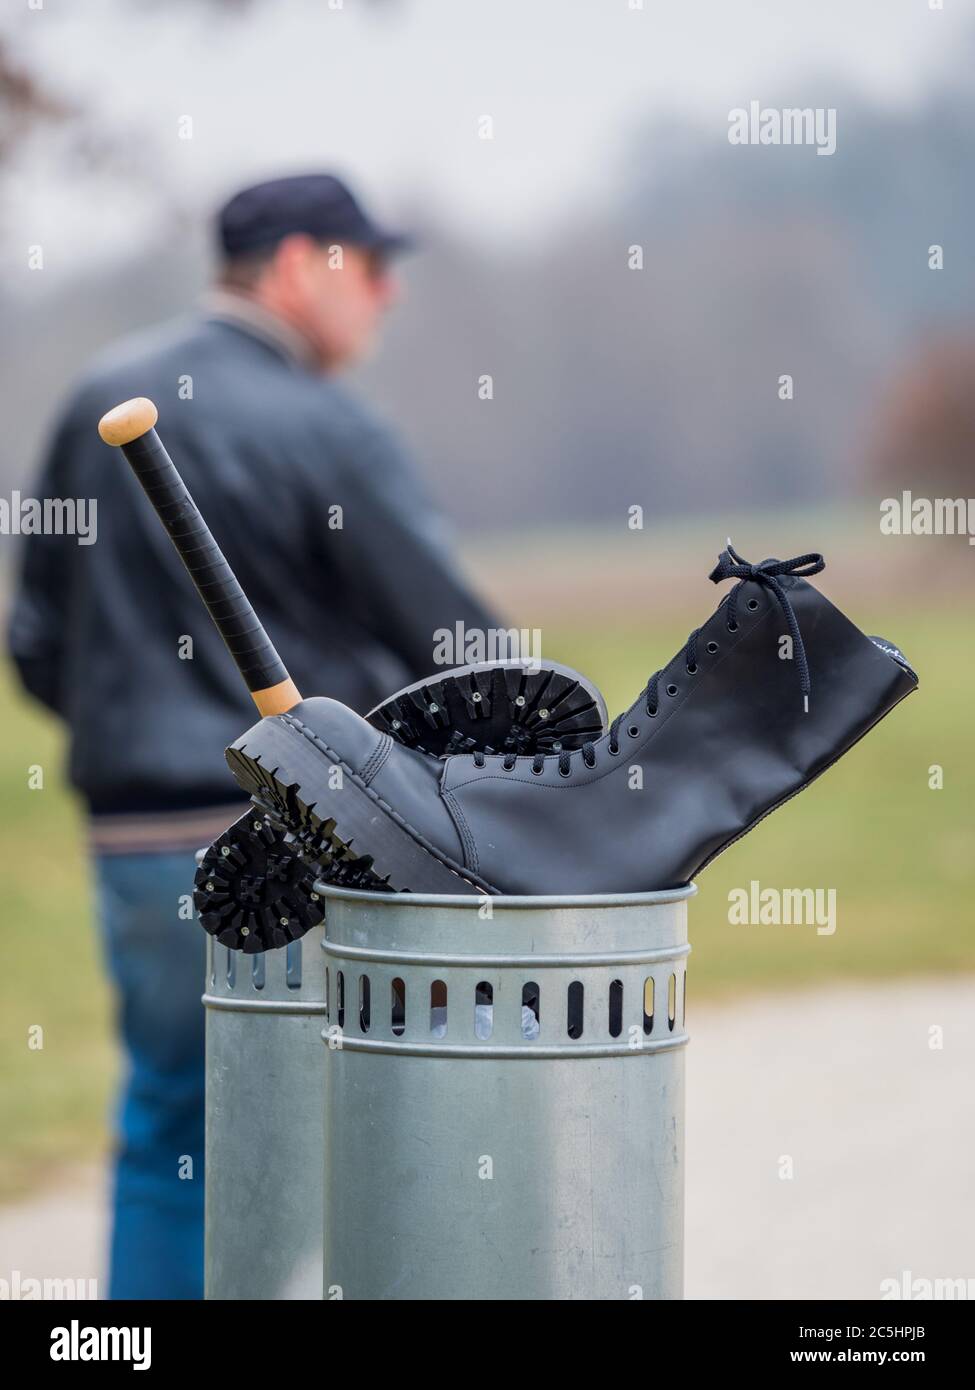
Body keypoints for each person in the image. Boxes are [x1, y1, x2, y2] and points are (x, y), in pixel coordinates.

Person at [7, 173, 500, 1299]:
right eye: (368, 268)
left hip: (134, 840)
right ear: (295, 267)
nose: (386, 296)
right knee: (340, 1130)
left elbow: (38, 640)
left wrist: (133, 733)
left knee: (171, 1123)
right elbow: (459, 653)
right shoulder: (326, 426)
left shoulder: (98, 395)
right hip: (300, 846)